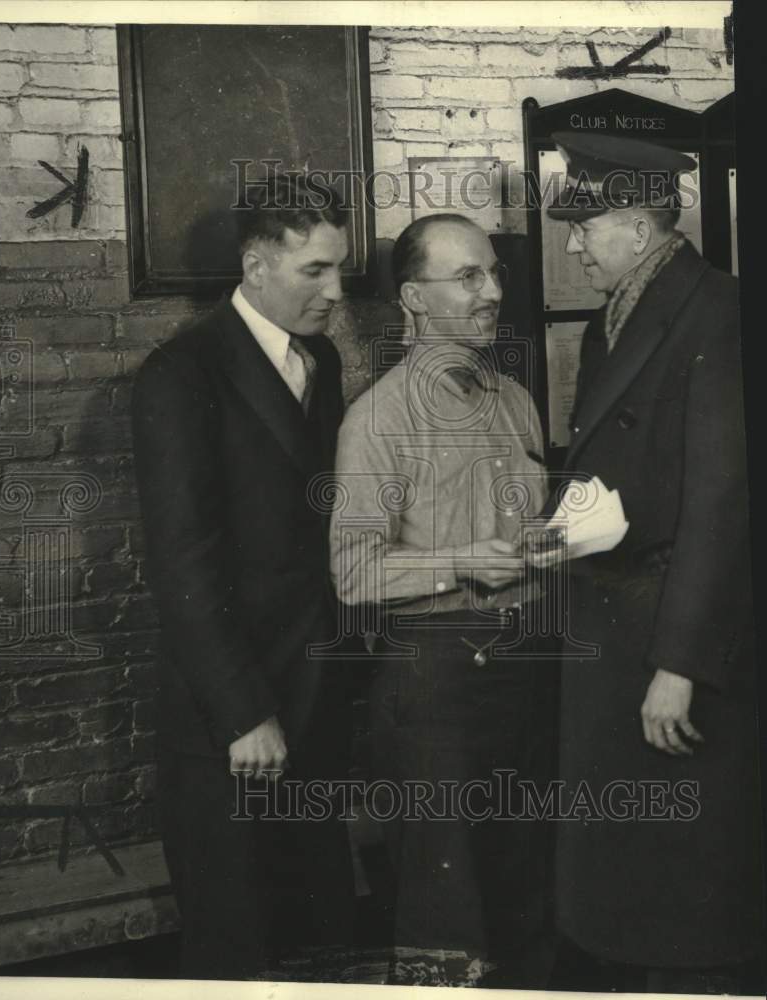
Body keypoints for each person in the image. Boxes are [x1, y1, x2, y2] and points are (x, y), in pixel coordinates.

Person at [546, 131, 764, 993]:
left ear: (636, 229)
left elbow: (724, 503)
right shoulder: (624, 314)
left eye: (584, 227)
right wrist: (561, 524)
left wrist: (678, 663)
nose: (571, 243)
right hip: (618, 618)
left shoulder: (719, 310)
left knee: (684, 903)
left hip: (673, 634)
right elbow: (623, 472)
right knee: (628, 888)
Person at [132, 174, 355, 980]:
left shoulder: (319, 361)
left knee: (320, 932)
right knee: (238, 945)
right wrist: (242, 714)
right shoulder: (181, 374)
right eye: (315, 272)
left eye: (339, 270)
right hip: (232, 717)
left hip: (313, 693)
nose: (335, 292)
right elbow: (182, 562)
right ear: (257, 266)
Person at [330, 214, 558, 989]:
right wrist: (465, 561)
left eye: (493, 273)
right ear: (414, 299)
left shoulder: (515, 401)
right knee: (447, 915)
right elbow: (354, 574)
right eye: (468, 277)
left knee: (530, 902)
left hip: (529, 673)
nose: (493, 291)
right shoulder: (377, 420)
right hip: (435, 689)